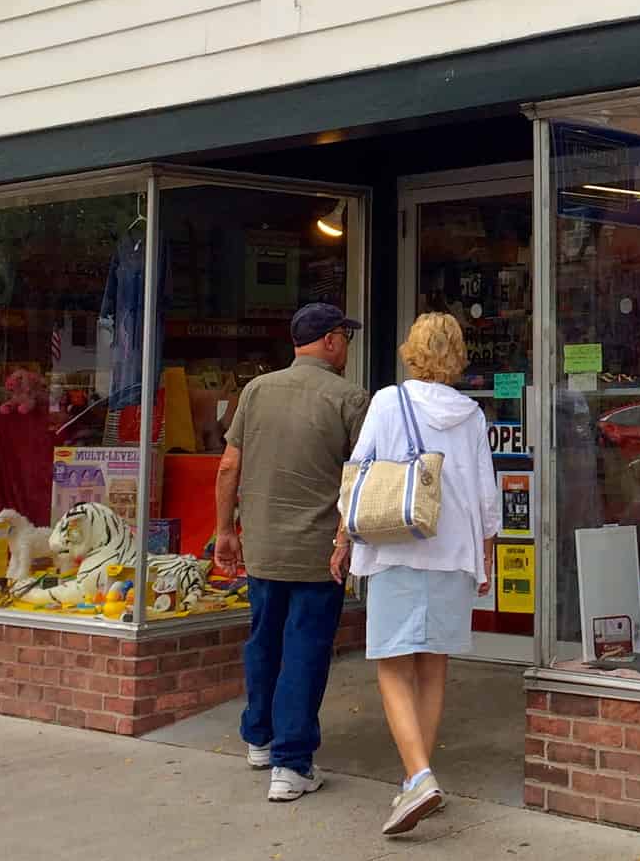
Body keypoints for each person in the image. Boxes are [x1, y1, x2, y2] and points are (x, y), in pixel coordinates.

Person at [343, 311, 500, 837]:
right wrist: (487, 554)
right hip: (455, 552)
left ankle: (419, 776)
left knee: (392, 664)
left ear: (411, 350)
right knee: (433, 666)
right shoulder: (473, 415)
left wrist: (342, 538)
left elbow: (359, 472)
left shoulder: (389, 401)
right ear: (457, 356)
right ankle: (418, 776)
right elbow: (485, 494)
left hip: (398, 548)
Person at [214, 302, 368, 803]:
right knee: (305, 649)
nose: (348, 345)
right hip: (318, 550)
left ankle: (258, 737)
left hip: (262, 544)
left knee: (263, 640)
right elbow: (360, 479)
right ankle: (292, 764)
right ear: (329, 340)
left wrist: (225, 530)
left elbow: (227, 467)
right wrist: (346, 540)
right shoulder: (349, 398)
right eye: (346, 335)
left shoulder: (255, 391)